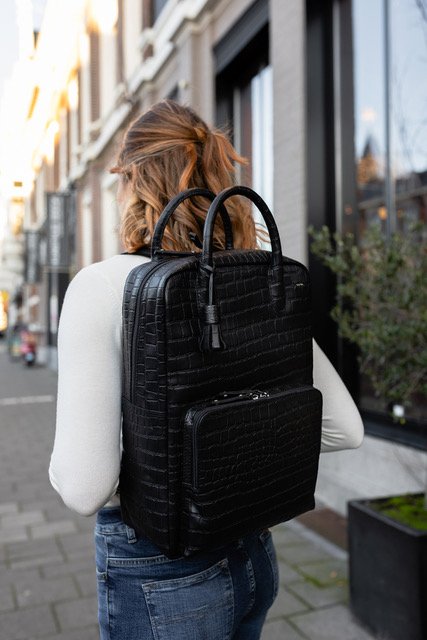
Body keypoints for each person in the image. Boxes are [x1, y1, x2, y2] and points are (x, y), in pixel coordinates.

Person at [49, 99, 364, 640]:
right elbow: (346, 429)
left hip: (160, 574)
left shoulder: (101, 287)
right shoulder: (257, 282)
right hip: (253, 554)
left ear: (133, 181)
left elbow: (84, 489)